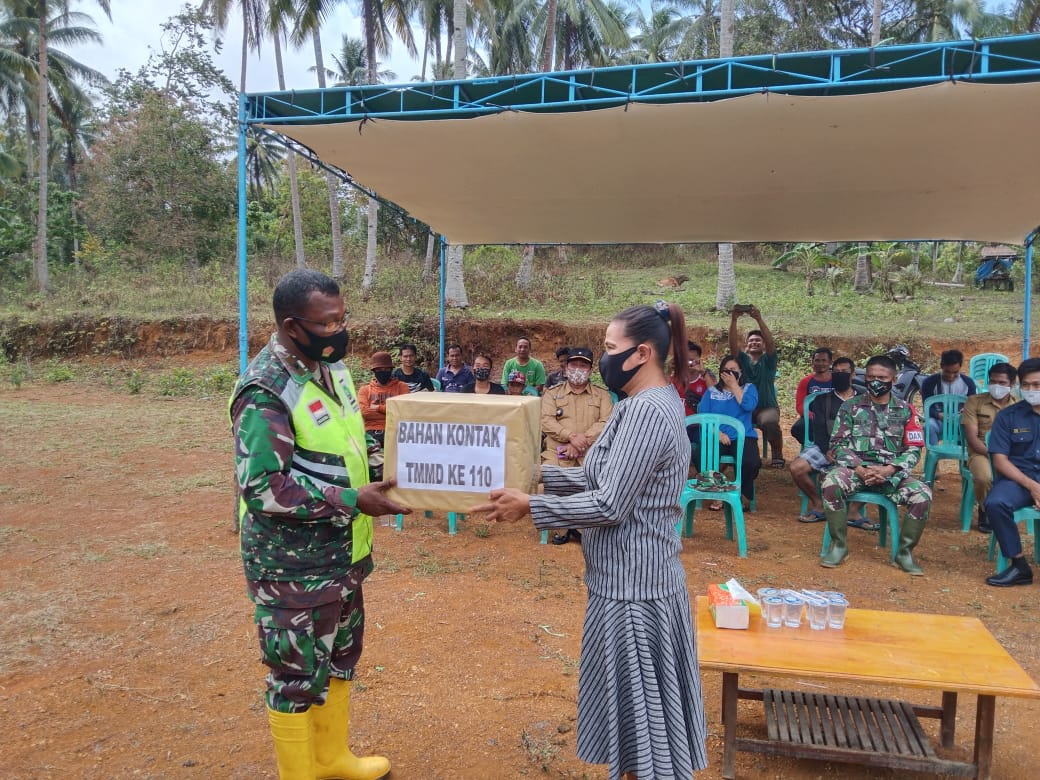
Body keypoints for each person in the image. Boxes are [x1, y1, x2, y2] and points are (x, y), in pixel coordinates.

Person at [471, 302, 707, 780]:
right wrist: (532, 476)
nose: (602, 359)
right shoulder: (641, 405)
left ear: (642, 353)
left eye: (609, 349)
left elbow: (610, 505)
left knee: (645, 725)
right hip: (621, 583)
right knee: (635, 719)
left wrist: (531, 508)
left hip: (636, 594)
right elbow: (600, 480)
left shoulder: (646, 412)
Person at [229, 269, 409, 780]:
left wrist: (391, 474)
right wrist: (355, 498)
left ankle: (332, 759)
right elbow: (263, 487)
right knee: (295, 674)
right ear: (292, 325)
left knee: (341, 656)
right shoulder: (265, 389)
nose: (340, 331)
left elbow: (350, 446)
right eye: (328, 324)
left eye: (343, 319)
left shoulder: (334, 369)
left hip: (342, 553)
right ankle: (299, 774)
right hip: (292, 566)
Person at [820, 354, 931, 574]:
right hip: (855, 471)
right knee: (830, 483)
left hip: (891, 474)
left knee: (922, 495)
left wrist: (890, 469)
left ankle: (904, 553)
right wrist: (860, 469)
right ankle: (839, 546)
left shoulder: (907, 410)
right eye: (870, 377)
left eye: (882, 377)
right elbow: (838, 445)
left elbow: (914, 448)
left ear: (894, 379)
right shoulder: (850, 407)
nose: (875, 382)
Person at [541, 347, 615, 543]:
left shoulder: (602, 395)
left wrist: (580, 443)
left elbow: (606, 422)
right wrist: (571, 436)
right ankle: (562, 528)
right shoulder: (552, 394)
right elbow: (546, 421)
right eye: (574, 364)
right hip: (557, 452)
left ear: (591, 371)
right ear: (566, 368)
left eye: (584, 365)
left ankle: (585, 529)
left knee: (601, 479)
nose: (578, 369)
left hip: (591, 453)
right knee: (550, 475)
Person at [983, 357, 1040, 587]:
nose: (1030, 390)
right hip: (1018, 479)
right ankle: (1019, 566)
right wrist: (1032, 486)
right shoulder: (1008, 415)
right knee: (995, 503)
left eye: (1037, 385)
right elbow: (1000, 460)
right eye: (1026, 385)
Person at [789, 357, 859, 523]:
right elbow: (818, 429)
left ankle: (854, 511)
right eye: (837, 372)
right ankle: (818, 504)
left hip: (856, 450)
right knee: (796, 467)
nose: (840, 375)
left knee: (872, 468)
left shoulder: (864, 400)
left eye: (844, 372)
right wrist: (827, 449)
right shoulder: (822, 400)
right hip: (827, 447)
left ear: (853, 374)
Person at [697, 354, 761, 509]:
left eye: (733, 370)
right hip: (718, 436)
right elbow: (703, 415)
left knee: (751, 462)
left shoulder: (749, 389)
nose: (729, 373)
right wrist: (717, 433)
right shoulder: (712, 392)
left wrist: (734, 387)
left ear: (741, 372)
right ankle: (716, 492)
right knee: (700, 455)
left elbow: (748, 406)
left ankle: (743, 495)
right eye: (726, 370)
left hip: (743, 436)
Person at [962, 362, 1018, 533]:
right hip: (981, 452)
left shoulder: (1020, 406)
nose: (997, 386)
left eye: (1002, 383)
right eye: (993, 382)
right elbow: (972, 437)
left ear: (1012, 384)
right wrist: (995, 455)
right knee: (985, 477)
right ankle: (987, 511)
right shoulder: (974, 402)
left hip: (1012, 455)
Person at [728, 305, 784, 467]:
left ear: (764, 345)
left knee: (770, 422)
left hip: (766, 407)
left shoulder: (769, 361)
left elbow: (771, 341)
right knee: (733, 422)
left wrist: (759, 319)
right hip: (745, 407)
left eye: (758, 340)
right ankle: (741, 455)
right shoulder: (743, 361)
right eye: (751, 340)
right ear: (746, 345)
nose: (754, 342)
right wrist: (733, 320)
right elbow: (732, 346)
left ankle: (777, 455)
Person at [920, 349, 977, 444]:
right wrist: (938, 415)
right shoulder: (929, 383)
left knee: (973, 428)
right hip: (939, 421)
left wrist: (965, 412)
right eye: (947, 372)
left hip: (961, 422)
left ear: (960, 367)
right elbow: (927, 407)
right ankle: (933, 454)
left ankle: (965, 457)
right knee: (928, 427)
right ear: (941, 366)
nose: (951, 376)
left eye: (955, 372)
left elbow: (973, 406)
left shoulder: (968, 383)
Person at [358, 350, 410, 450]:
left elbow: (403, 412)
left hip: (396, 431)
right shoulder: (365, 390)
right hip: (371, 432)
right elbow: (364, 412)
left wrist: (378, 407)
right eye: (379, 369)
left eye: (386, 369)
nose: (383, 372)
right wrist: (391, 410)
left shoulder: (402, 387)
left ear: (391, 370)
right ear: (374, 371)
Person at [791, 347, 834, 445]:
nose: (820, 364)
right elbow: (800, 406)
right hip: (813, 417)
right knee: (797, 429)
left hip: (834, 417)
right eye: (817, 360)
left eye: (824, 360)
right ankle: (816, 448)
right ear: (812, 362)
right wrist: (814, 416)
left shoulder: (837, 380)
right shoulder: (805, 381)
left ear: (830, 362)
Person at [671, 340, 712, 417]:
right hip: (678, 426)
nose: (689, 363)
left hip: (699, 426)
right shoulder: (673, 380)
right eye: (686, 360)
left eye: (692, 360)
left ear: (699, 360)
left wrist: (703, 372)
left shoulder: (707, 379)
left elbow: (716, 395)